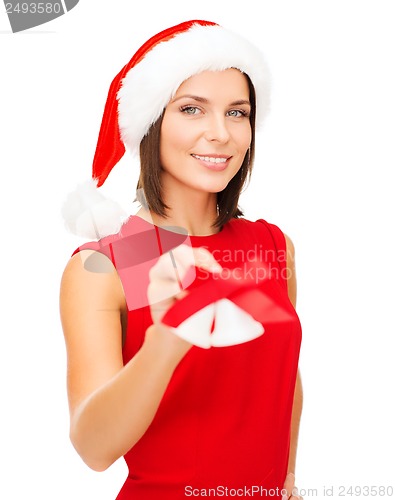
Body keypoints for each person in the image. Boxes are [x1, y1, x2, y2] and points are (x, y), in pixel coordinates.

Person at [59, 20, 303, 500]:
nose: (221, 134)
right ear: (151, 123)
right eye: (192, 109)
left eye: (238, 113)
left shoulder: (272, 246)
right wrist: (164, 343)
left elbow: (284, 380)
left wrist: (286, 480)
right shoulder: (106, 264)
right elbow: (93, 449)